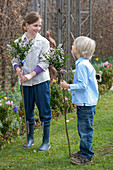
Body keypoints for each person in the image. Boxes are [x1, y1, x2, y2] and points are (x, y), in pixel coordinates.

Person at [11, 11, 52, 151]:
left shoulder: (44, 42)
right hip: (25, 83)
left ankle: (46, 142)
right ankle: (30, 139)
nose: (38, 29)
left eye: (39, 26)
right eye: (35, 26)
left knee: (44, 111)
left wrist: (31, 75)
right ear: (26, 25)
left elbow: (45, 62)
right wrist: (17, 68)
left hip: (40, 81)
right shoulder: (18, 43)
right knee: (28, 111)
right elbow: (15, 60)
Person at [60, 36, 99, 164]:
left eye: (73, 44)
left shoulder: (82, 65)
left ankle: (87, 155)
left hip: (85, 104)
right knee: (83, 129)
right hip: (86, 103)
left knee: (85, 131)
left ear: (79, 49)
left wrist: (68, 86)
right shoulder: (83, 64)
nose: (72, 46)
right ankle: (83, 150)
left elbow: (83, 86)